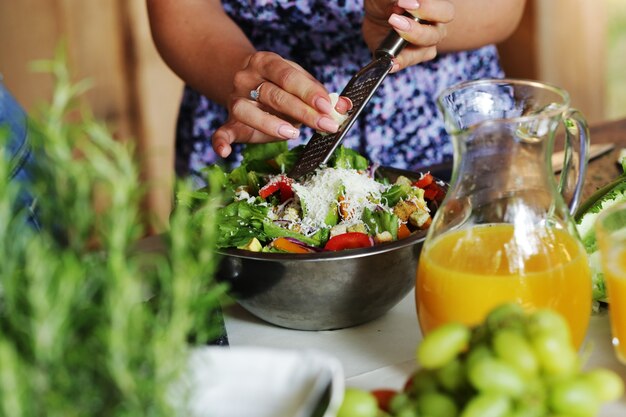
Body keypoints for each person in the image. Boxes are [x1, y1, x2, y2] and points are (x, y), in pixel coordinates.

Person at [147, 0, 526, 185]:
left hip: (444, 130)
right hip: (255, 120)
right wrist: (243, 73)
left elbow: (502, 8)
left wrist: (409, 17)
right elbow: (183, 12)